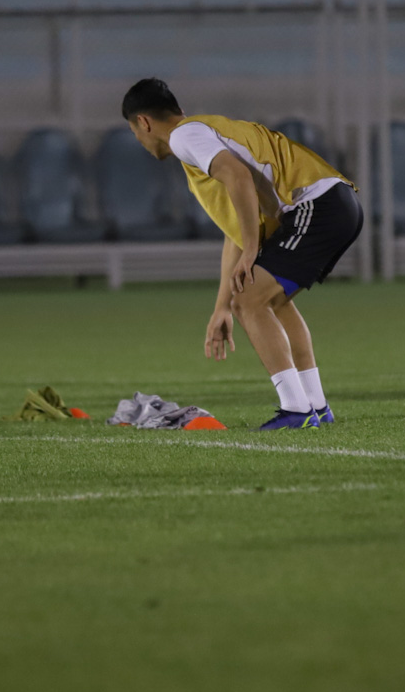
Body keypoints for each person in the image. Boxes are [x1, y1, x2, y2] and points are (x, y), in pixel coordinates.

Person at [121, 78, 361, 429]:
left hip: (316, 205)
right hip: (333, 203)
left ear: (143, 122)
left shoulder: (185, 137)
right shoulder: (203, 133)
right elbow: (236, 229)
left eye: (134, 131)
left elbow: (239, 178)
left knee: (250, 300)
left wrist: (252, 252)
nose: (140, 142)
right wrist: (222, 306)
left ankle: (297, 411)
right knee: (268, 301)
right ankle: (316, 407)